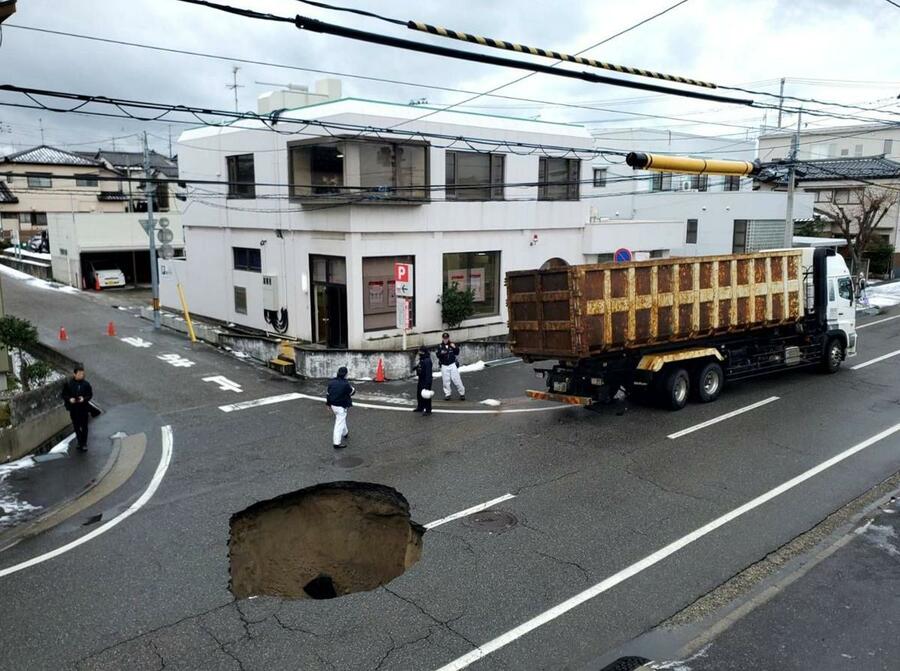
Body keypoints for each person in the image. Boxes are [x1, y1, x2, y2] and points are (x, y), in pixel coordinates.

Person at [61, 366, 93, 452]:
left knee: (84, 426)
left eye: (82, 374)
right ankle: (79, 442)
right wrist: (69, 399)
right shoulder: (69, 384)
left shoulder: (86, 384)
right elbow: (64, 395)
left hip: (84, 408)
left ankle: (84, 443)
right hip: (74, 409)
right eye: (79, 374)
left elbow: (90, 395)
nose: (81, 375)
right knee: (76, 426)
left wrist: (84, 399)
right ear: (74, 374)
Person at [325, 366, 354, 449]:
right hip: (341, 406)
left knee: (340, 419)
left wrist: (328, 404)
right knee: (339, 424)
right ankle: (336, 443)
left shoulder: (332, 382)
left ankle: (345, 433)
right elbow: (352, 392)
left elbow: (328, 394)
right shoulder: (345, 384)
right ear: (346, 374)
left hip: (333, 405)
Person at [436, 332, 465, 401]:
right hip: (444, 365)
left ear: (448, 338)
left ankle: (462, 393)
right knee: (445, 381)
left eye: (446, 338)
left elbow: (457, 352)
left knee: (457, 379)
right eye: (444, 338)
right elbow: (438, 355)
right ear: (442, 338)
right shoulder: (440, 346)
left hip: (452, 364)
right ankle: (447, 394)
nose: (445, 339)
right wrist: (442, 353)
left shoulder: (452, 344)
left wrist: (455, 347)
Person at [413, 346, 433, 415]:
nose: (420, 353)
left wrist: (428, 383)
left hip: (425, 380)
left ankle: (428, 410)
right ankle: (420, 407)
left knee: (426, 395)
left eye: (421, 351)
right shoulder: (422, 359)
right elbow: (420, 366)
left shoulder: (427, 360)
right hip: (421, 379)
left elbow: (428, 373)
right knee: (419, 394)